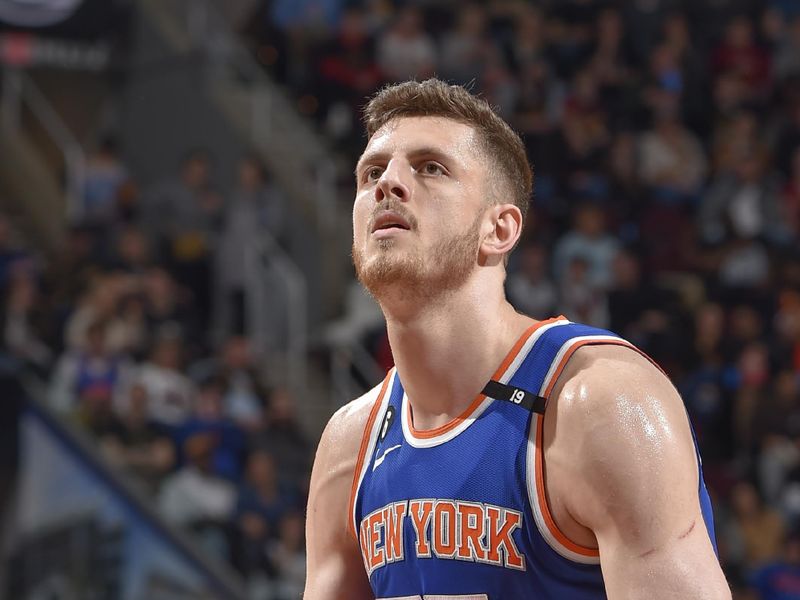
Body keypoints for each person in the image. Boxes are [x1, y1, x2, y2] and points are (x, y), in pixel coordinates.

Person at [304, 79, 730, 599]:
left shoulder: (599, 404)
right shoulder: (351, 443)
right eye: (372, 171)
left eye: (429, 167)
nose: (386, 184)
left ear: (499, 230)